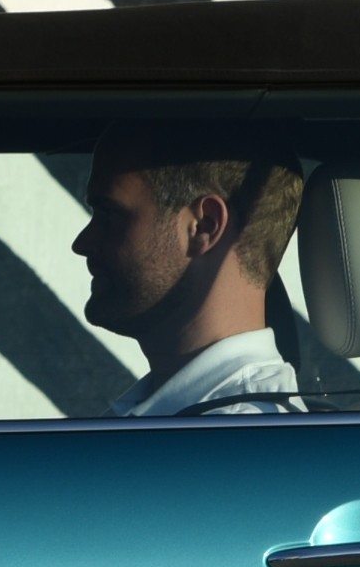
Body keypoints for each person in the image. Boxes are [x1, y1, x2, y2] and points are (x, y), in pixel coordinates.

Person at [75, 144, 304, 413]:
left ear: (204, 225)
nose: (82, 243)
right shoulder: (206, 421)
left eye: (110, 214)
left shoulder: (239, 431)